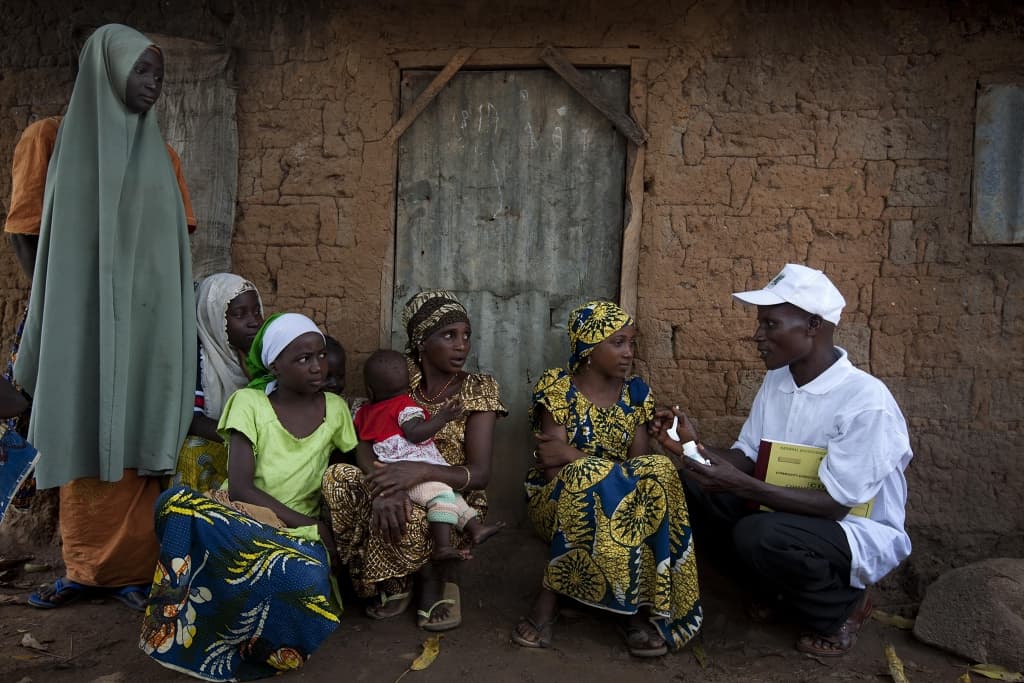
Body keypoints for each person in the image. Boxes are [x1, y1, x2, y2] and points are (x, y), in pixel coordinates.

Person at [13, 24, 197, 611]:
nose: (153, 85)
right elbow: (25, 233)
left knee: (140, 430)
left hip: (145, 323)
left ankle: (135, 571)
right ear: (107, 70)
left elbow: (174, 246)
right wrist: (61, 305)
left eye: (159, 75)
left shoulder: (163, 155)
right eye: (142, 71)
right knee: (81, 425)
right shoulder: (50, 139)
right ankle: (84, 569)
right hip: (78, 318)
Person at [651, 263, 912, 657]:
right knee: (693, 488)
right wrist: (689, 448)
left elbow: (835, 505)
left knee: (758, 534)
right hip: (785, 511)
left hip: (852, 529)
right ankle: (775, 591)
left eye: (770, 324)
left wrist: (742, 485)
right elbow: (748, 456)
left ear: (812, 325)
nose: (758, 336)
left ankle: (841, 610)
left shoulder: (865, 403)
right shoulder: (779, 380)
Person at [141, 313, 357, 680]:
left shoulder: (335, 409)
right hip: (240, 517)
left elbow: (358, 461)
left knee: (305, 576)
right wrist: (316, 526)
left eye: (320, 355)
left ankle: (268, 653)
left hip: (291, 535)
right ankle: (179, 625)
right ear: (274, 365)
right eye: (303, 359)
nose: (317, 367)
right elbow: (241, 489)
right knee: (176, 504)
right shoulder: (248, 403)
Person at [512, 300, 703, 657]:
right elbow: (557, 470)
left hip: (620, 501)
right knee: (585, 476)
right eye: (617, 342)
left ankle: (634, 608)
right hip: (557, 501)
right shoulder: (558, 389)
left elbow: (641, 467)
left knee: (658, 473)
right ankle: (548, 604)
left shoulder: (635, 394)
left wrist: (574, 453)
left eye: (631, 343)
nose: (628, 352)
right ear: (588, 348)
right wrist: (586, 464)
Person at [322, 290, 506, 630]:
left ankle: (436, 579)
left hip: (451, 491)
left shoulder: (477, 388)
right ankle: (398, 578)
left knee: (433, 509)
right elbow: (364, 439)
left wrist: (418, 471)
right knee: (337, 477)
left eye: (466, 336)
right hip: (392, 479)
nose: (461, 345)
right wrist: (383, 482)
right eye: (449, 335)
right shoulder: (393, 376)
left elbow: (479, 474)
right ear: (421, 341)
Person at [355, 348, 503, 562]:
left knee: (451, 497)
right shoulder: (404, 406)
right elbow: (414, 434)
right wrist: (441, 418)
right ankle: (442, 546)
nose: (461, 344)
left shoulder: (362, 413)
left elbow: (363, 443)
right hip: (410, 469)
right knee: (442, 497)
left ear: (369, 391)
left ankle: (475, 528)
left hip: (390, 471)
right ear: (408, 387)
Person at [172, 273, 264, 491]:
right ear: (212, 316)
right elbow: (192, 421)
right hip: (227, 443)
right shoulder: (199, 359)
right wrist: (244, 441)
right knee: (191, 451)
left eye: (256, 311)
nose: (253, 321)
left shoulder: (267, 355)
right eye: (239, 314)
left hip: (260, 447)